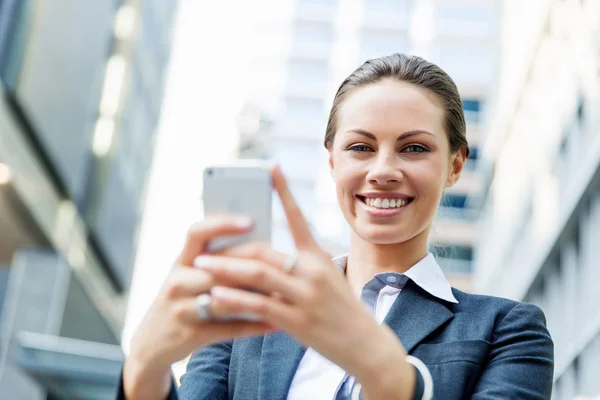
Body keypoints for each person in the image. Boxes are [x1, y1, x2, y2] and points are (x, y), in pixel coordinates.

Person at [119, 54, 554, 400]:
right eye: (361, 147)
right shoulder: (250, 319)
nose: (383, 170)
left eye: (414, 148)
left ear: (455, 165)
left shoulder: (508, 331)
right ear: (332, 161)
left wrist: (390, 378)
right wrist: (144, 371)